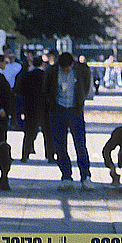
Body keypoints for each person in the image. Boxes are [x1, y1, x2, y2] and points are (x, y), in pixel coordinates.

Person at [43, 52, 94, 191]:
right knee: (60, 145)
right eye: (63, 69)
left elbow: (86, 85)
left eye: (68, 68)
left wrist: (81, 100)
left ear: (72, 65)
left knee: (80, 144)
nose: (65, 71)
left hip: (75, 110)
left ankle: (85, 177)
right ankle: (66, 176)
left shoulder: (81, 70)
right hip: (58, 110)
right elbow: (46, 89)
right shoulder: (52, 72)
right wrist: (51, 105)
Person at [20, 55, 52, 163]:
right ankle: (50, 155)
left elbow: (21, 91)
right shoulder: (46, 75)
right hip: (44, 107)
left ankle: (25, 155)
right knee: (47, 133)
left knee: (29, 133)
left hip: (30, 107)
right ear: (42, 64)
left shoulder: (27, 76)